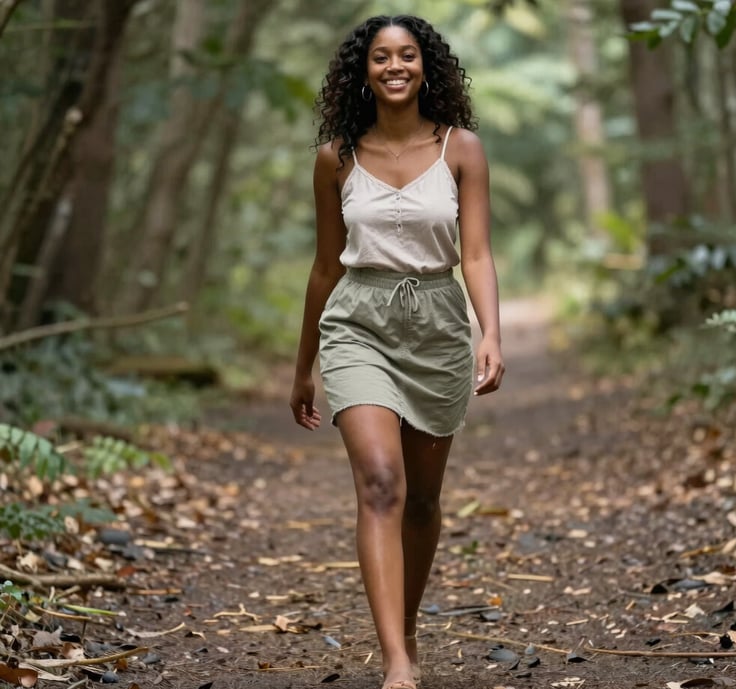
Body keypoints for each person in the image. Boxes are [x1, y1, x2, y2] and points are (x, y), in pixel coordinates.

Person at [289, 14, 504, 689]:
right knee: (381, 482)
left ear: (425, 66)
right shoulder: (336, 157)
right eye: (380, 57)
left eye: (406, 55)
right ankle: (398, 662)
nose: (394, 66)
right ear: (363, 72)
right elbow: (326, 266)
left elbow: (474, 252)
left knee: (422, 500)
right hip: (358, 324)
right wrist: (304, 365)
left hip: (438, 324)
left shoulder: (462, 148)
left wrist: (490, 331)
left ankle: (404, 625)